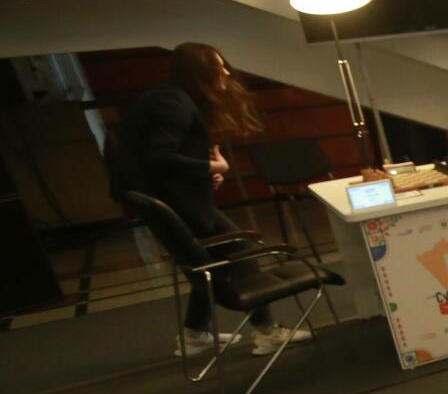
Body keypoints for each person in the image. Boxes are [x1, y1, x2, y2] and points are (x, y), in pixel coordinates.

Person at [116, 42, 309, 357]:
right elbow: (160, 157)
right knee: (240, 252)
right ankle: (266, 331)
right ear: (200, 72)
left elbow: (162, 160)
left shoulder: (170, 98)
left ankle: (195, 335)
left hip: (164, 200)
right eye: (218, 67)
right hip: (173, 203)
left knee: (205, 264)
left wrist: (202, 174)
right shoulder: (176, 104)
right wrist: (213, 167)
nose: (226, 73)